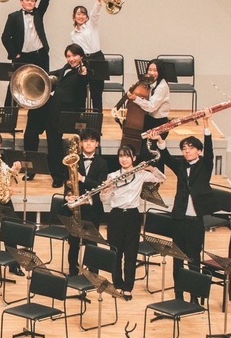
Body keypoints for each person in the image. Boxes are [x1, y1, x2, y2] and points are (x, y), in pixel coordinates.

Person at [153, 116, 215, 286]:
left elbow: (210, 150)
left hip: (195, 221)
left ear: (199, 151)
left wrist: (206, 125)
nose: (187, 151)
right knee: (177, 259)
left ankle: (194, 294)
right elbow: (167, 158)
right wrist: (159, 141)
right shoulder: (181, 165)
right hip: (179, 218)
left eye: (190, 148)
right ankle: (179, 293)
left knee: (193, 259)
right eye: (184, 148)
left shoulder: (205, 165)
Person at [101, 146, 166, 298]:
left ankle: (128, 286)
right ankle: (117, 284)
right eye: (121, 156)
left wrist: (151, 168)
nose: (123, 159)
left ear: (134, 158)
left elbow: (162, 178)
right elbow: (104, 199)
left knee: (131, 252)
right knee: (115, 251)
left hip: (132, 215)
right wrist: (106, 190)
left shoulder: (141, 174)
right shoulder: (113, 175)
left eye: (127, 156)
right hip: (116, 215)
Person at [40, 44, 90, 188]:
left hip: (70, 113)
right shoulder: (66, 67)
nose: (71, 59)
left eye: (74, 56)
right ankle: (57, 176)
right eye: (68, 56)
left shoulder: (82, 71)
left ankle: (70, 175)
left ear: (81, 56)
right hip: (55, 111)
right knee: (53, 144)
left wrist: (84, 73)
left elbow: (83, 79)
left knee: (62, 144)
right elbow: (58, 73)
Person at [65, 129, 108, 276]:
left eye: (92, 141)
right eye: (85, 141)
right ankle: (73, 271)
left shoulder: (102, 163)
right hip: (76, 208)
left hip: (92, 208)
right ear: (81, 144)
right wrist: (68, 196)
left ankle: (93, 272)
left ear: (97, 144)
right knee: (74, 241)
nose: (89, 144)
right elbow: (68, 183)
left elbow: (100, 185)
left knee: (91, 241)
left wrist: (83, 179)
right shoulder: (74, 160)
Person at [1, 0, 54, 74]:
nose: (30, 2)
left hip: (40, 55)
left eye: (33, 1)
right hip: (22, 57)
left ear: (35, 3)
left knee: (42, 82)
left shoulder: (38, 13)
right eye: (27, 0)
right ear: (21, 2)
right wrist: (14, 54)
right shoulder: (14, 17)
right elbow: (5, 37)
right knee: (20, 82)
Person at [71, 0, 107, 111]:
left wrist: (98, 0)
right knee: (80, 92)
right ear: (74, 17)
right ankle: (80, 118)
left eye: (83, 14)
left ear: (86, 17)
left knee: (97, 94)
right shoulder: (73, 34)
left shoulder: (92, 25)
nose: (80, 16)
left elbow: (95, 13)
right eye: (78, 14)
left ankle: (97, 120)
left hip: (97, 58)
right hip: (83, 61)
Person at [128, 59, 172, 158]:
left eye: (155, 70)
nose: (152, 73)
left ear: (160, 71)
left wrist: (135, 98)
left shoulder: (162, 87)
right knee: (139, 147)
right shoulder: (151, 82)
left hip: (159, 123)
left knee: (149, 151)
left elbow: (151, 107)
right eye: (150, 70)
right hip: (149, 120)